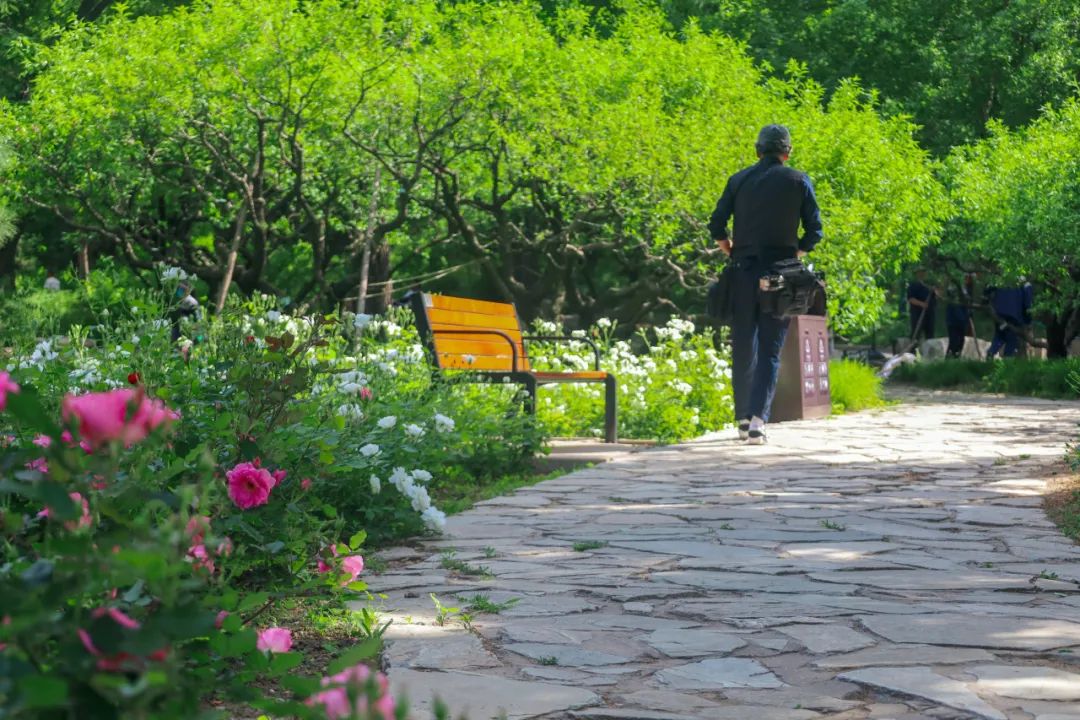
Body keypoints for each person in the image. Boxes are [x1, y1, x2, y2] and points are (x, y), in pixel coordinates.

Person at [708, 124, 823, 445]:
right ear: (787, 152)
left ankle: (743, 420)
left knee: (744, 346)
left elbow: (716, 224)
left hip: (743, 273)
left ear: (757, 150)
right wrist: (795, 254)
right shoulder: (799, 180)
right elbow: (814, 230)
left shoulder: (738, 180)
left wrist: (730, 249)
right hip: (781, 276)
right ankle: (758, 420)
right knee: (771, 349)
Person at [985, 281, 1034, 358]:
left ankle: (991, 352)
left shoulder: (1005, 277)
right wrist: (1028, 321)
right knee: (1012, 339)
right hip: (1013, 317)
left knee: (1000, 335)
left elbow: (988, 288)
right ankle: (1007, 360)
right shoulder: (1026, 284)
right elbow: (1028, 304)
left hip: (999, 314)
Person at [944, 273, 974, 358]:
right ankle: (951, 356)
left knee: (961, 339)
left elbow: (967, 301)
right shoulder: (953, 288)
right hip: (953, 319)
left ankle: (956, 355)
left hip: (962, 319)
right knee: (954, 339)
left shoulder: (966, 289)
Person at [906, 269, 936, 343]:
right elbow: (911, 299)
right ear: (917, 274)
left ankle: (929, 348)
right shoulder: (913, 285)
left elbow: (937, 297)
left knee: (930, 333)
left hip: (929, 313)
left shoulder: (928, 285)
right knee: (916, 332)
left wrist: (934, 290)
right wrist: (921, 304)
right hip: (918, 313)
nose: (922, 274)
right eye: (920, 272)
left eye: (923, 272)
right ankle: (912, 347)